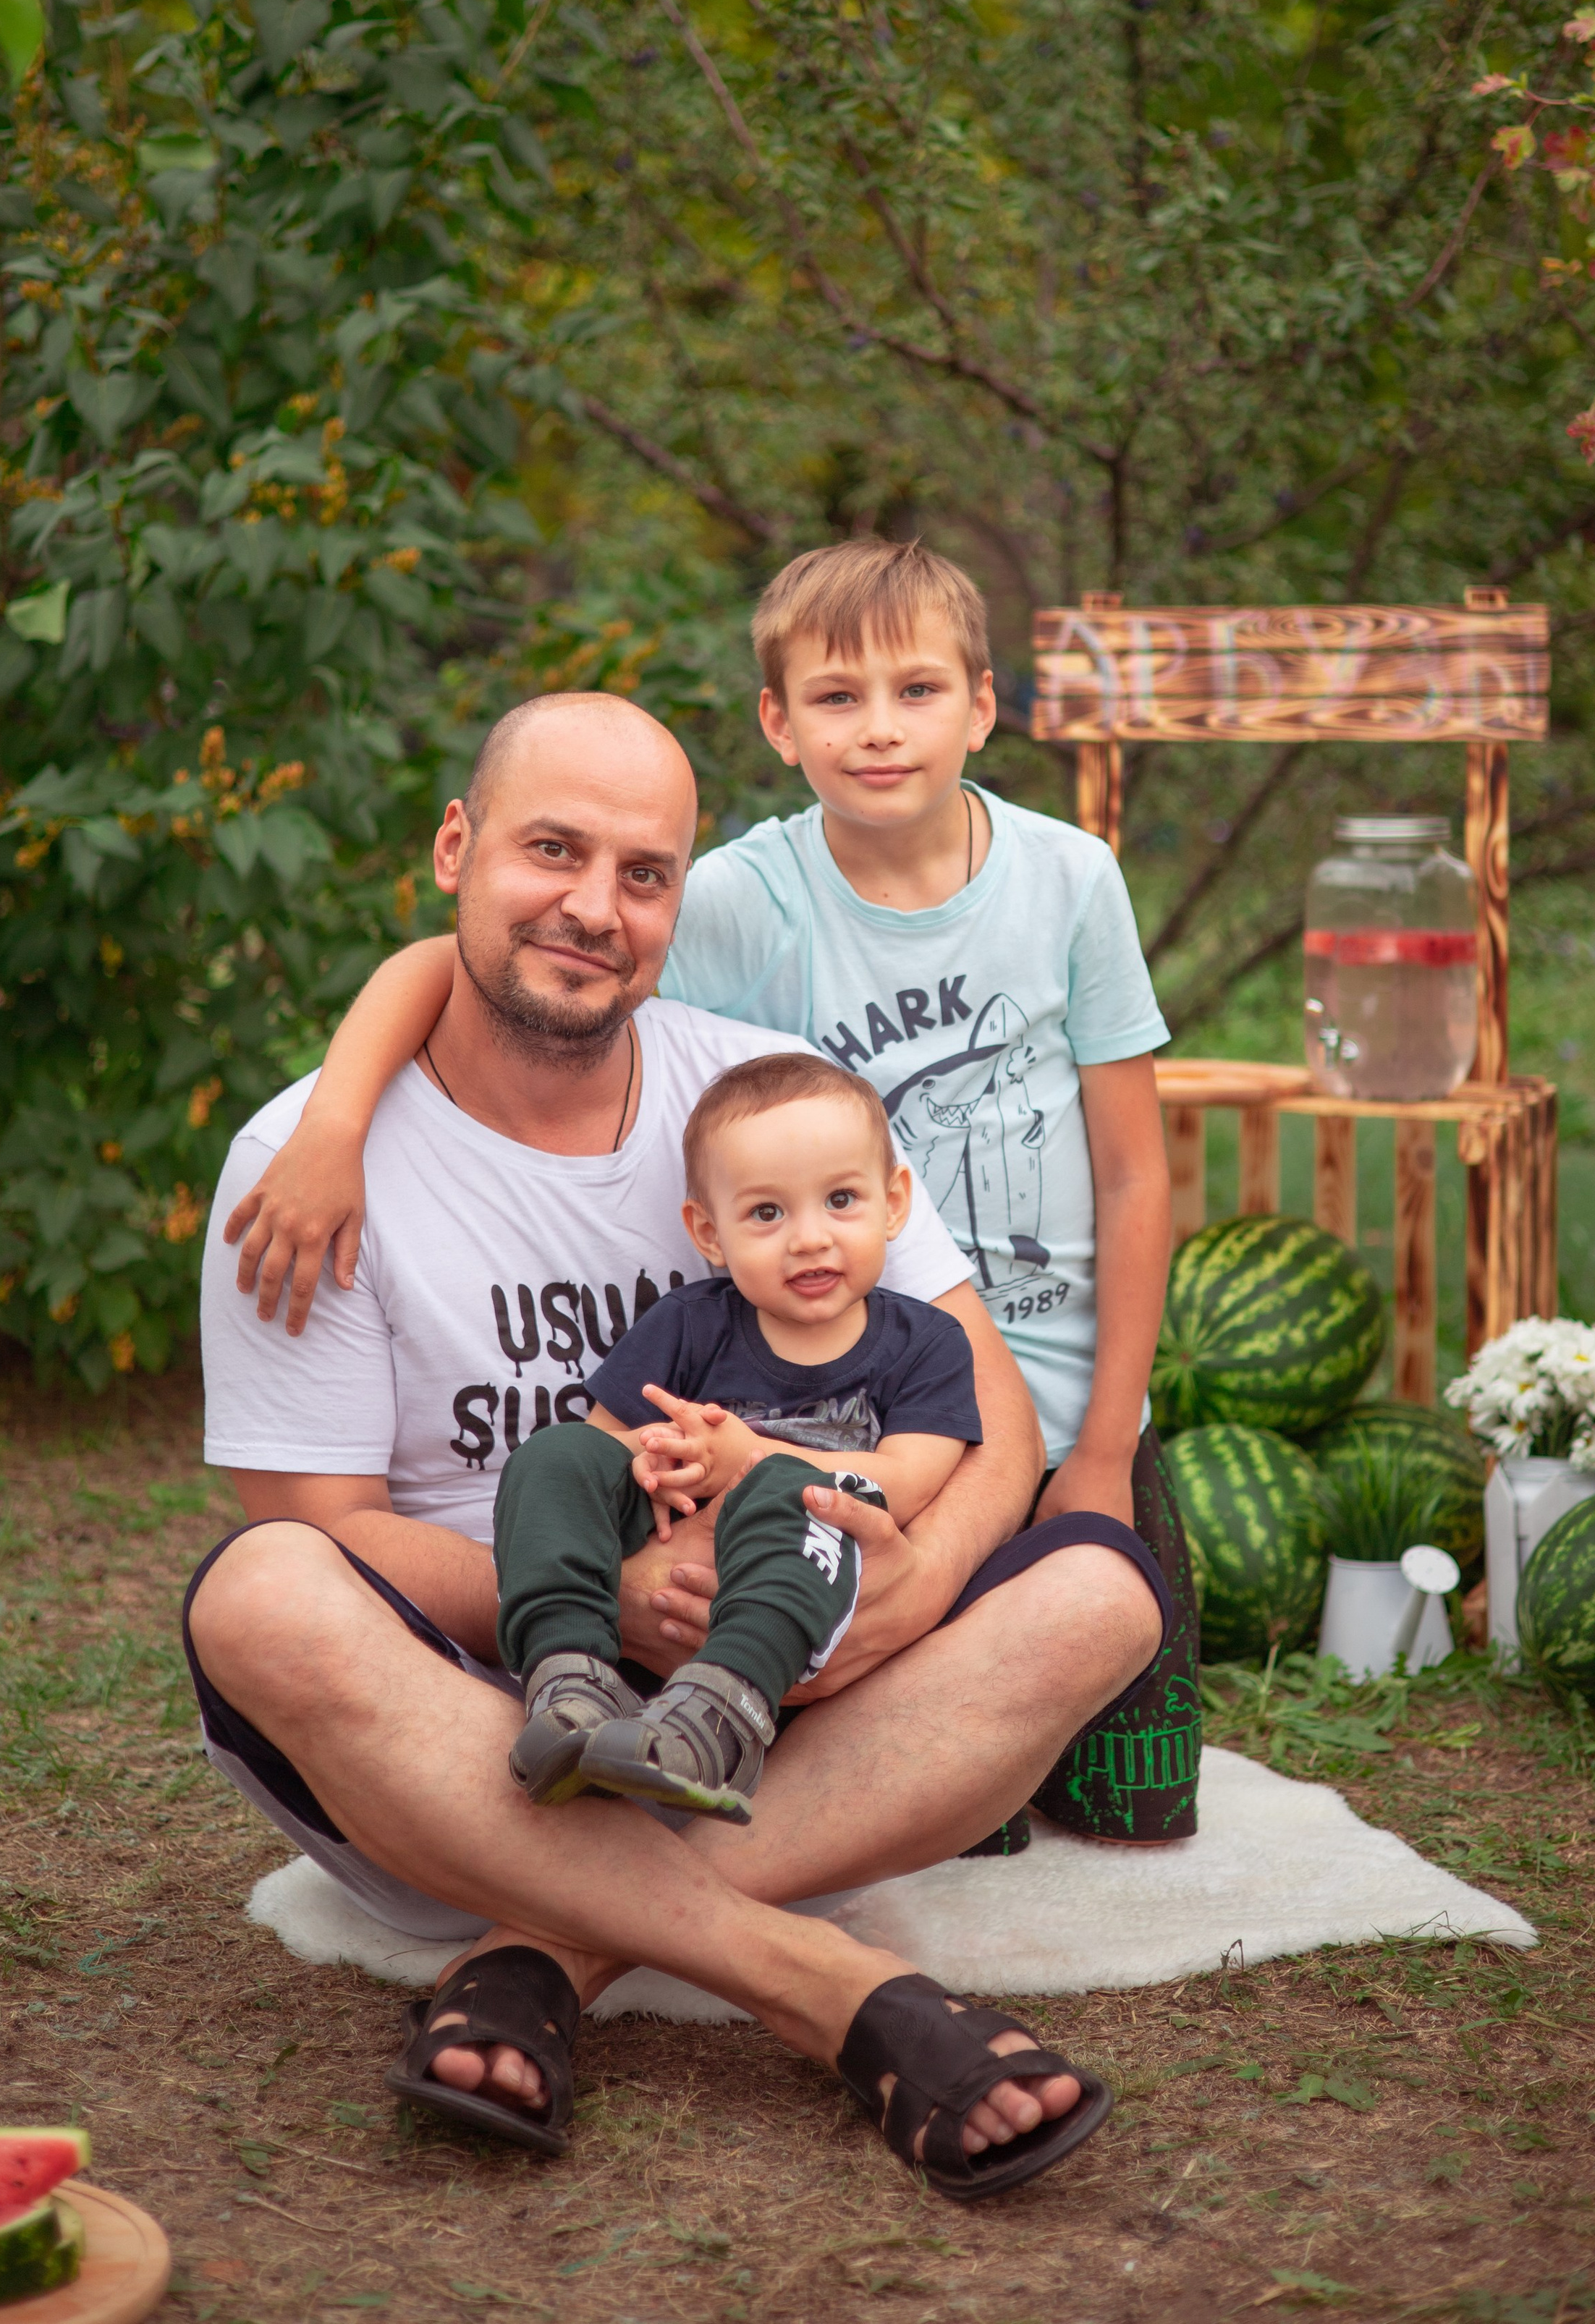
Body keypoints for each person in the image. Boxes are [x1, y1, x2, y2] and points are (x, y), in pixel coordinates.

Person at [191, 688, 1169, 2199]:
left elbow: (995, 1410)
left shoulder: (759, 1102)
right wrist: (603, 1594)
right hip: (470, 1741)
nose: (593, 907)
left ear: (676, 901)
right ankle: (831, 1990)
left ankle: (546, 1958)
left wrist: (908, 1593)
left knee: (1101, 1590)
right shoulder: (305, 1165)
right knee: (257, 1592)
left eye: (642, 874)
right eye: (549, 852)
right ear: (456, 848)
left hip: (770, 1713)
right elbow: (327, 1524)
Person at [242, 540, 1198, 1846]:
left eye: (918, 692)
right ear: (779, 723)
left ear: (983, 705)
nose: (879, 731)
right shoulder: (741, 906)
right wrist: (335, 1118)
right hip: (758, 1449)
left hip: (1001, 1413)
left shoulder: (1043, 897)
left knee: (1111, 1683)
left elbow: (1126, 1190)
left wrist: (1050, 1487)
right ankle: (745, 1818)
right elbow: (496, 953)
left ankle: (613, 1910)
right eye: (837, 697)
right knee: (311, 1586)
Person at [496, 1051, 981, 1823]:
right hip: (671, 1558)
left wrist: (743, 1460)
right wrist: (664, 1463)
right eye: (766, 1213)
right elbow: (607, 1448)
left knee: (794, 1489)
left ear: (894, 1205)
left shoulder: (926, 1342)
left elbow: (906, 1479)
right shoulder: (689, 1323)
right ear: (708, 1232)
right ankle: (568, 1676)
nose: (809, 1239)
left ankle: (724, 1714)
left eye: (842, 1200)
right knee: (553, 1458)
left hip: (804, 1583)